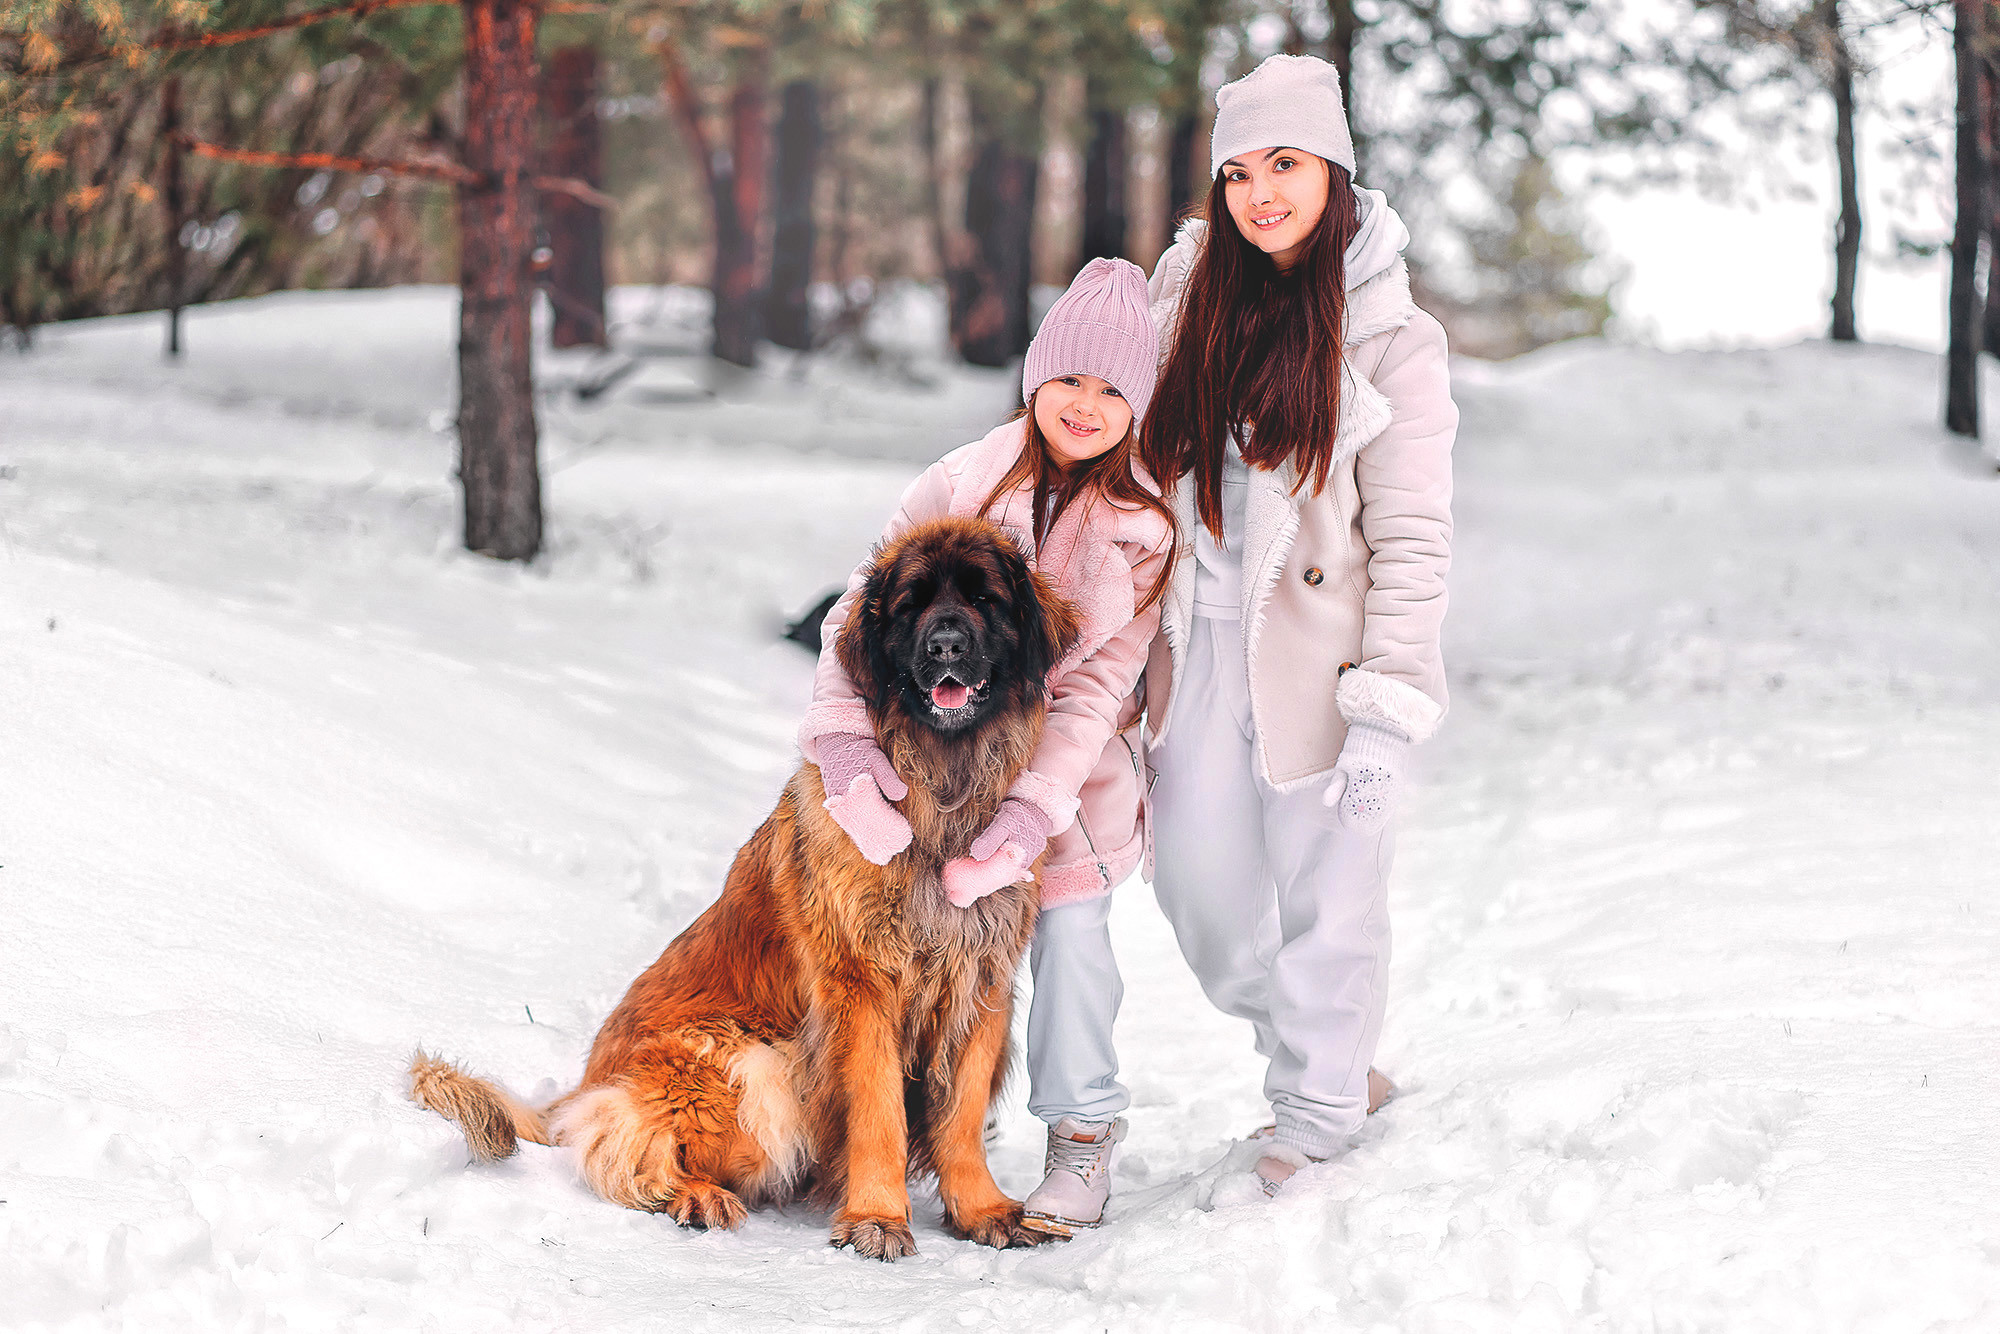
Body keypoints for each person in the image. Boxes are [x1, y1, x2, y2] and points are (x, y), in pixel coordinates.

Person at [796, 257, 1175, 1235]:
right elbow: (863, 600)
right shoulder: (960, 476)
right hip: (922, 762)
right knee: (885, 956)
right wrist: (843, 745)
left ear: (1137, 404)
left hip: (1061, 779)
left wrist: (1026, 814)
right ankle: (879, 1141)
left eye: (1110, 389)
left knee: (1072, 941)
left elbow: (1094, 690)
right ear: (1033, 378)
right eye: (1067, 380)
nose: (1083, 405)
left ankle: (1080, 1135)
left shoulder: (1142, 528)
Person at [1140, 53, 1458, 1195]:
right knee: (1199, 896)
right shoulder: (1185, 301)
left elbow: (1414, 538)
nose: (1259, 192)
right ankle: (1331, 1053)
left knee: (1330, 894)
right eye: (1236, 171)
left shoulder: (1389, 335)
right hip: (1194, 645)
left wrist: (1385, 706)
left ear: (1330, 166)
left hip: (1318, 660)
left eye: (1283, 163)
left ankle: (1315, 1110)